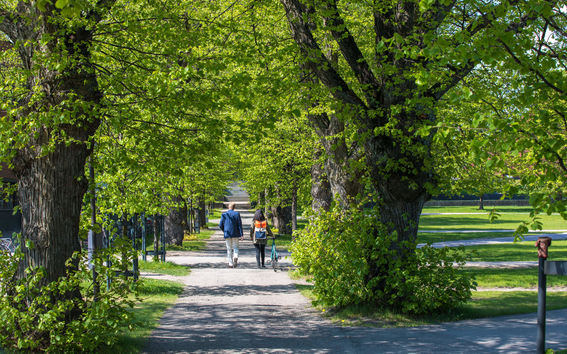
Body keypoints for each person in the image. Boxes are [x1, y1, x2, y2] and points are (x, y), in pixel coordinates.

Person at [219, 202, 243, 268]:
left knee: (229, 249)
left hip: (227, 233)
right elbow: (239, 225)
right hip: (235, 233)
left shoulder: (224, 214)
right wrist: (241, 234)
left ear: (228, 207)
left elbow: (220, 224)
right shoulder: (237, 214)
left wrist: (224, 230)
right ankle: (235, 256)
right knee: (235, 247)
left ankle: (230, 263)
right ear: (234, 207)